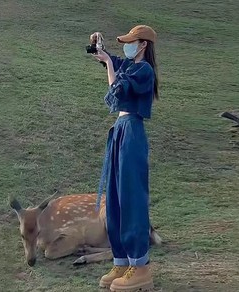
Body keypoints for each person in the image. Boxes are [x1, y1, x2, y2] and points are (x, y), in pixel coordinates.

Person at [90, 25, 159, 292]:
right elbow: (114, 64)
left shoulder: (144, 71)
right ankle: (122, 261)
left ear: (143, 45)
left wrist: (108, 62)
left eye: (131, 42)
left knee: (131, 198)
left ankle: (140, 267)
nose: (127, 46)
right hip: (119, 131)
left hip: (131, 131)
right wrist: (101, 51)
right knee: (116, 197)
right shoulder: (131, 67)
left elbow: (116, 91)